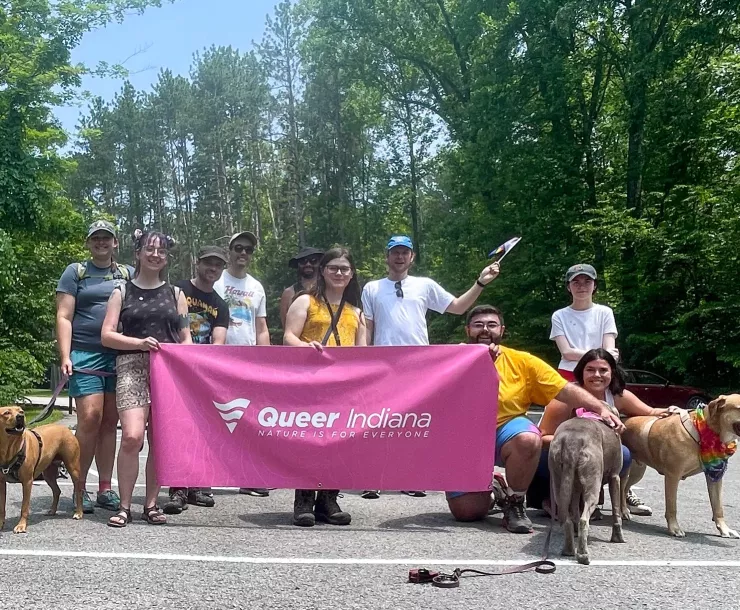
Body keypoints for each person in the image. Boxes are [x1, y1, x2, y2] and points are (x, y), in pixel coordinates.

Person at [445, 305, 624, 534]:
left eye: (492, 325)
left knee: (529, 438)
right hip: (463, 437)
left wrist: (599, 407)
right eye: (478, 325)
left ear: (502, 329)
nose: (485, 330)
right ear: (467, 329)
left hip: (506, 428)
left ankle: (516, 501)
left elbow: (563, 389)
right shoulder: (450, 358)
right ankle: (496, 490)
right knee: (467, 513)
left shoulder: (522, 361)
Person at [360, 235, 500, 499]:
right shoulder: (372, 288)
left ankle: (410, 477)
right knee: (378, 420)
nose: (399, 257)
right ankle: (373, 476)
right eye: (395, 252)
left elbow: (458, 308)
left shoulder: (424, 285)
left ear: (412, 257)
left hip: (418, 365)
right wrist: (362, 360)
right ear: (386, 256)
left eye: (405, 252)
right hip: (382, 364)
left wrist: (480, 282)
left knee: (414, 421)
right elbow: (367, 327)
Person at [101, 230, 192, 528]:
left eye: (162, 251)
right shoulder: (121, 291)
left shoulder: (177, 295)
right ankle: (124, 505)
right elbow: (107, 335)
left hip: (168, 371)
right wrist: (137, 343)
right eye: (150, 249)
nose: (156, 255)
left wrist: (191, 363)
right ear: (138, 252)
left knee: (160, 440)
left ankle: (151, 504)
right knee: (131, 436)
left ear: (167, 257)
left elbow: (185, 336)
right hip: (131, 365)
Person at [530, 349, 677, 517]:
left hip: (593, 456)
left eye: (603, 370)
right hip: (556, 455)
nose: (597, 375)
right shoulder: (565, 397)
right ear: (581, 372)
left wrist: (672, 411)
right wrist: (575, 442)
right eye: (590, 370)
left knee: (624, 454)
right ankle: (552, 499)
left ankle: (587, 499)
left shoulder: (618, 396)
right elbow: (542, 438)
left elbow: (651, 412)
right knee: (581, 453)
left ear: (612, 372)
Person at [284, 246, 367, 527]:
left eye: (345, 268)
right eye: (333, 268)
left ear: (352, 274)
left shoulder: (356, 312)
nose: (339, 273)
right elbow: (288, 338)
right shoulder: (306, 302)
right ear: (323, 271)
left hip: (344, 388)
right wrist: (307, 346)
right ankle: (304, 499)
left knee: (339, 443)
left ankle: (329, 500)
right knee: (309, 441)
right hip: (310, 384)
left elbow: (362, 353)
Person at [55, 220, 133, 515]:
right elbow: (64, 316)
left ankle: (104, 487)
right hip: (85, 354)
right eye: (95, 238)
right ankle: (79, 486)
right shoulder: (76, 272)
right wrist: (66, 355)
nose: (101, 242)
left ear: (115, 243)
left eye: (106, 238)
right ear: (89, 243)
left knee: (110, 421)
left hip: (119, 355)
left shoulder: (127, 274)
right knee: (90, 417)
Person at [164, 246, 230, 515]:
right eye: (208, 264)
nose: (212, 269)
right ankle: (178, 488)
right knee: (178, 428)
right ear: (197, 263)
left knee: (204, 428)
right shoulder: (177, 290)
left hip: (203, 372)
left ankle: (200, 485)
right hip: (174, 369)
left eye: (217, 265)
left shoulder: (220, 304)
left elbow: (219, 341)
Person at [213, 230, 271, 497]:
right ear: (229, 251)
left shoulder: (256, 287)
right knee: (214, 417)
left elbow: (261, 327)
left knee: (247, 420)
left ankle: (248, 475)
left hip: (247, 360)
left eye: (248, 249)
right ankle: (206, 477)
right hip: (217, 358)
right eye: (238, 248)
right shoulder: (216, 281)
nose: (243, 253)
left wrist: (266, 360)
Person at [550, 264, 618, 381]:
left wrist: (604, 356)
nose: (582, 286)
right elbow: (566, 352)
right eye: (576, 282)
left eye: (587, 282)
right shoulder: (559, 315)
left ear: (594, 285)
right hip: (569, 372)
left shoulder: (605, 312)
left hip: (600, 373)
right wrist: (600, 355)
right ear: (568, 287)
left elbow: (610, 349)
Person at [279, 246, 324, 327]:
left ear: (320, 264)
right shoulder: (289, 293)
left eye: (313, 261)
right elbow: (285, 326)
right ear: (298, 265)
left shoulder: (327, 290)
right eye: (303, 261)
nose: (308, 264)